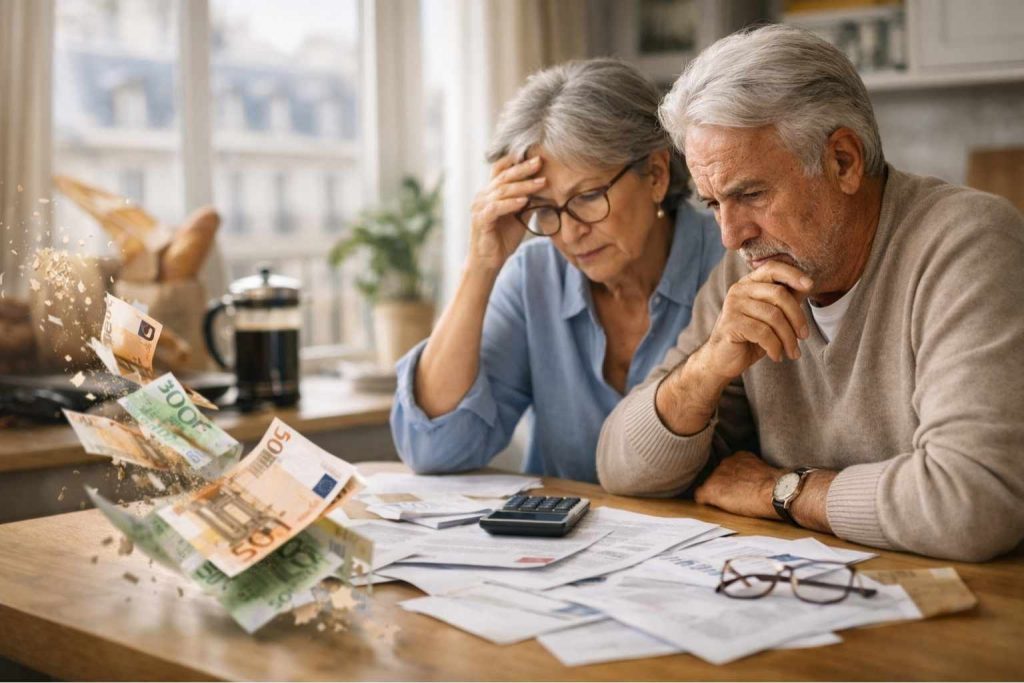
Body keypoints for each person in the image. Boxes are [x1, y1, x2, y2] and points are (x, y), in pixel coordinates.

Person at [597, 25, 1024, 561]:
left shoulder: (968, 242)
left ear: (843, 160)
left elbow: (972, 505)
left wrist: (780, 491)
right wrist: (707, 369)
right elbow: (619, 466)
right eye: (712, 204)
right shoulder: (746, 269)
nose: (731, 236)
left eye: (750, 194)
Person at [390, 58, 724, 482]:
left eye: (587, 196)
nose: (568, 233)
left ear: (655, 174)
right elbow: (432, 448)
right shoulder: (533, 278)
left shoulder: (730, 262)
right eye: (545, 209)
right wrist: (480, 266)